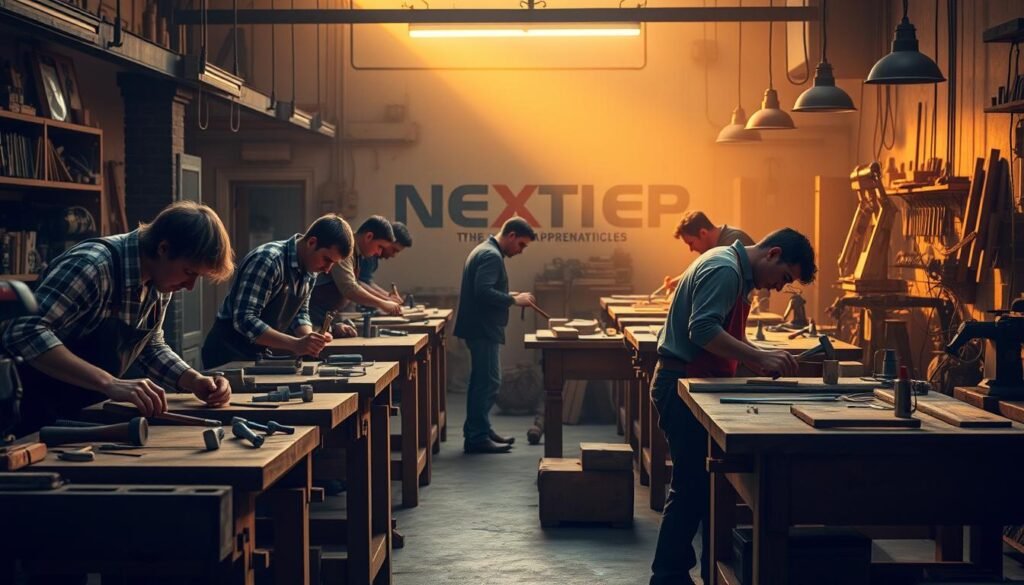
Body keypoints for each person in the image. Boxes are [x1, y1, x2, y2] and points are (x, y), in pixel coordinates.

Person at [649, 228, 817, 585]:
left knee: (708, 490)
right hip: (681, 383)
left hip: (697, 382)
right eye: (784, 277)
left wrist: (755, 360)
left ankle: (710, 570)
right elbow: (702, 330)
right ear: (773, 253)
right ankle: (667, 577)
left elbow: (725, 335)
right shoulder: (725, 268)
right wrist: (758, 356)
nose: (777, 287)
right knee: (692, 487)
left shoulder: (737, 275)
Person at [3, 201, 235, 434]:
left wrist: (194, 380)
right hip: (29, 413)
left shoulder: (160, 282)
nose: (190, 286)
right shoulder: (92, 266)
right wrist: (109, 383)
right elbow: (24, 331)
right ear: (163, 248)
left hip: (80, 413)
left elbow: (150, 346)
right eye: (189, 272)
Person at [201, 214, 352, 368]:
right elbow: (245, 320)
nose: (327, 269)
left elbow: (300, 313)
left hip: (257, 354)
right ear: (312, 243)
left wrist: (310, 340)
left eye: (333, 263)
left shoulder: (310, 271)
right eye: (326, 259)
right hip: (227, 353)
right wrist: (296, 344)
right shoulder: (268, 261)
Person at [454, 217, 536, 454]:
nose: (520, 251)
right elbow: (482, 292)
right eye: (521, 244)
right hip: (482, 328)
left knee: (480, 381)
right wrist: (512, 299)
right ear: (511, 236)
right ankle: (477, 437)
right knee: (489, 382)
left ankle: (479, 429)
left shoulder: (484, 249)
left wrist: (510, 294)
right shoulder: (491, 255)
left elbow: (485, 289)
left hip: (478, 327)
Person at [309, 215, 401, 337]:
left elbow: (356, 284)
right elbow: (349, 288)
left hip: (326, 318)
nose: (379, 253)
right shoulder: (345, 248)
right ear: (369, 237)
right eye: (380, 247)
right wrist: (382, 303)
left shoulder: (357, 254)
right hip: (311, 318)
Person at [357, 220, 413, 305]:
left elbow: (367, 282)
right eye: (394, 250)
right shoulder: (368, 252)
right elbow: (357, 284)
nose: (393, 255)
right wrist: (386, 300)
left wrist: (389, 297)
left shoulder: (373, 256)